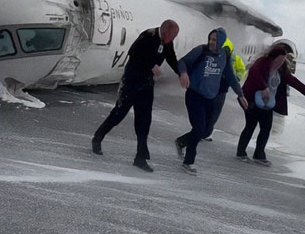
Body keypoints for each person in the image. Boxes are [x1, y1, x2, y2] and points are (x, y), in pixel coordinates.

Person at [91, 19, 180, 172]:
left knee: (144, 120)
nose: (172, 40)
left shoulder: (166, 42)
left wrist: (182, 73)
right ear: (165, 32)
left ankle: (140, 157)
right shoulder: (148, 36)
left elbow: (171, 57)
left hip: (146, 84)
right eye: (172, 37)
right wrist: (151, 65)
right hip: (132, 81)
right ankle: (98, 136)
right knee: (119, 113)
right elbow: (134, 53)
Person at [175, 28, 247, 174]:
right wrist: (183, 73)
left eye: (215, 40)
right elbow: (182, 61)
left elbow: (231, 77)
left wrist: (240, 94)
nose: (211, 42)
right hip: (195, 95)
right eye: (210, 39)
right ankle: (188, 162)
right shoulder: (201, 51)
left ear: (221, 41)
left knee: (207, 130)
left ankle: (181, 141)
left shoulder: (224, 56)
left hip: (210, 97)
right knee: (199, 128)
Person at [236, 44, 305, 166]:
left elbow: (291, 80)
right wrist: (264, 88)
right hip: (252, 100)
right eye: (278, 60)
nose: (280, 63)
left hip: (268, 104)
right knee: (250, 126)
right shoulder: (262, 62)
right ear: (272, 58)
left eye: (283, 60)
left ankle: (259, 154)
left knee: (266, 128)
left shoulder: (282, 68)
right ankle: (241, 152)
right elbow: (254, 73)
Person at [201, 37, 247, 142]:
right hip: (216, 89)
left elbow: (241, 70)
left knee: (210, 112)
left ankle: (204, 132)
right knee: (212, 112)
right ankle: (203, 132)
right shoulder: (230, 57)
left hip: (218, 89)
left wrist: (237, 78)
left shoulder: (231, 58)